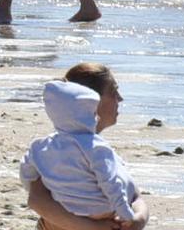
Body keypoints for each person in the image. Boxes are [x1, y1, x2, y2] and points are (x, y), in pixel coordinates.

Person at [20, 64, 144, 230]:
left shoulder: (99, 148)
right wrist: (92, 227)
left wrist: (138, 219)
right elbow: (37, 200)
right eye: (113, 92)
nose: (120, 99)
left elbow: (136, 197)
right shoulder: (57, 151)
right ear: (90, 100)